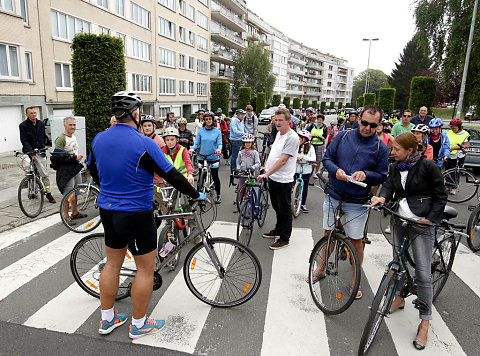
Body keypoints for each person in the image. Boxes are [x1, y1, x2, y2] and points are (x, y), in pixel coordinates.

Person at [88, 91, 206, 339]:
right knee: (145, 269)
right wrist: (196, 194)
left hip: (108, 209)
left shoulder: (99, 139)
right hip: (136, 213)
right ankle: (139, 323)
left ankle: (107, 319)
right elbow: (172, 175)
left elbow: (94, 172)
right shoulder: (145, 142)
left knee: (112, 264)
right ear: (135, 113)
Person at [370, 131, 447, 351]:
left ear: (410, 150)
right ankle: (399, 297)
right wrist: (382, 197)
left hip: (422, 223)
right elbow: (389, 185)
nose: (392, 152)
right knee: (399, 263)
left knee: (423, 273)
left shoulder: (428, 167)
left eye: (396, 149)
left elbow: (441, 196)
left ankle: (425, 321)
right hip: (399, 219)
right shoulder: (396, 166)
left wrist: (430, 219)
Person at [313, 105, 389, 298]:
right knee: (328, 234)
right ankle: (320, 268)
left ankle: (356, 278)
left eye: (373, 125)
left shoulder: (381, 147)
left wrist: (367, 174)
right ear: (358, 119)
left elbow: (382, 176)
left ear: (379, 125)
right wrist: (335, 170)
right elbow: (328, 158)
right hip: (334, 194)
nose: (367, 128)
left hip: (358, 201)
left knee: (355, 241)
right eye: (364, 123)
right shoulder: (343, 136)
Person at [257, 108, 299, 250]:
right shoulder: (279, 134)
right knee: (276, 207)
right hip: (273, 177)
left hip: (283, 180)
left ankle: (284, 237)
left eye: (281, 120)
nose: (278, 123)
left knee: (285, 209)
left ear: (288, 122)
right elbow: (273, 154)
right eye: (276, 120)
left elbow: (282, 161)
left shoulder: (292, 137)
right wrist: (265, 167)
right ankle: (278, 229)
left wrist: (266, 174)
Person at [50, 117, 84, 225]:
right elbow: (57, 157)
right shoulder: (61, 139)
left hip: (75, 167)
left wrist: (75, 159)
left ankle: (74, 212)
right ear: (65, 125)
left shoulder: (73, 136)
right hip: (67, 170)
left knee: (76, 190)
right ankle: (66, 216)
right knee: (68, 193)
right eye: (70, 125)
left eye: (74, 125)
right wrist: (74, 158)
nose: (73, 127)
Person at [19, 106, 56, 203]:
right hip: (28, 151)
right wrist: (31, 152)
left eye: (35, 113)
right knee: (27, 165)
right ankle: (28, 181)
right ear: (26, 115)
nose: (33, 115)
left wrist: (43, 147)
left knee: (44, 174)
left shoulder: (40, 124)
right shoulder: (23, 125)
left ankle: (48, 193)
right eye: (31, 113)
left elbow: (43, 137)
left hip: (40, 151)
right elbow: (24, 140)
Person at [190, 112, 223, 204]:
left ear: (212, 120)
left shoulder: (217, 132)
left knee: (215, 176)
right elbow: (197, 143)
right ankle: (198, 196)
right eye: (206, 119)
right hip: (202, 157)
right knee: (201, 177)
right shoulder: (201, 131)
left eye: (210, 119)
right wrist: (192, 149)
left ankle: (218, 195)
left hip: (213, 157)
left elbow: (220, 143)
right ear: (204, 120)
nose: (208, 121)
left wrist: (219, 149)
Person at [445, 118, 470, 194]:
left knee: (456, 171)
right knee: (447, 170)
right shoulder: (449, 132)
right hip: (449, 154)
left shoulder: (465, 134)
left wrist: (454, 148)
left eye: (454, 127)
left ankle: (454, 187)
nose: (452, 129)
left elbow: (466, 145)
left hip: (458, 156)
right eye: (451, 127)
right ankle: (448, 185)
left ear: (459, 127)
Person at [295, 130, 316, 212]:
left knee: (304, 188)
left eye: (300, 138)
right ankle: (294, 200)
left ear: (304, 140)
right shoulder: (296, 146)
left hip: (306, 170)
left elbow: (313, 158)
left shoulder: (311, 147)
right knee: (294, 186)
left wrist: (304, 158)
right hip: (296, 169)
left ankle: (303, 204)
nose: (298, 140)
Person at [306, 114, 328, 182]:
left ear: (323, 121)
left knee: (318, 159)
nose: (319, 121)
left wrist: (320, 137)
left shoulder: (324, 127)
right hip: (312, 144)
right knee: (310, 158)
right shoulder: (312, 125)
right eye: (318, 119)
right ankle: (309, 171)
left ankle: (316, 172)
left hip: (320, 145)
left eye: (320, 120)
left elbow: (324, 136)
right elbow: (307, 132)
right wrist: (312, 135)